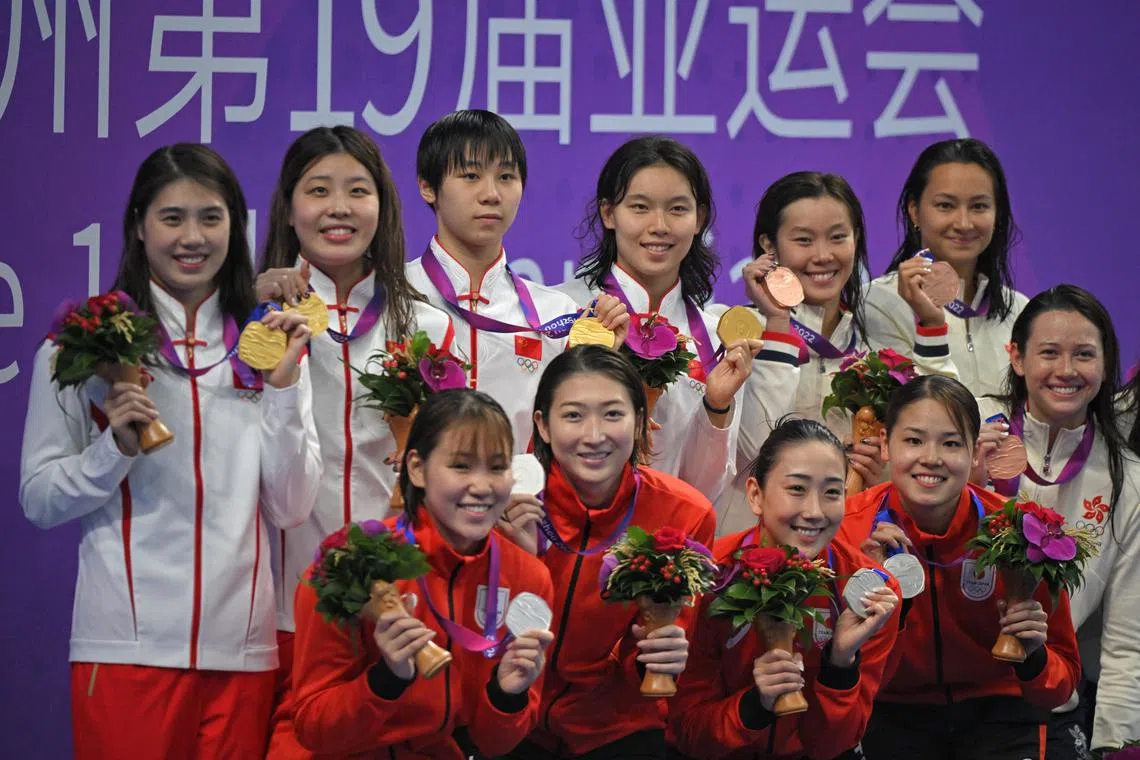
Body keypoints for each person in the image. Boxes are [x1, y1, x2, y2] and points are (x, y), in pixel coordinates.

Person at [19, 144, 321, 758]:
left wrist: (285, 392)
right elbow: (40, 499)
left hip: (243, 657)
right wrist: (113, 450)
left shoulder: (269, 344)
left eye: (211, 217)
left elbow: (290, 507)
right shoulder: (77, 350)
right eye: (172, 217)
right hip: (126, 657)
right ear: (138, 224)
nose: (193, 237)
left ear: (236, 226)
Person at [254, 126, 456, 733]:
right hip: (287, 608)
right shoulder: (258, 321)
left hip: (401, 609)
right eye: (318, 190)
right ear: (289, 208)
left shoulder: (426, 325)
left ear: (384, 207)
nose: (339, 208)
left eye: (357, 190)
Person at [276, 389, 556, 758]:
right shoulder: (354, 564)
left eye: (498, 466)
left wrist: (506, 696)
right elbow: (314, 730)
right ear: (417, 468)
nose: (483, 486)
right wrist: (385, 680)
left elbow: (495, 743)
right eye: (461, 465)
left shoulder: (526, 578)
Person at [840, 375, 1081, 759]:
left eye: (951, 443)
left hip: (1001, 710)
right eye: (914, 440)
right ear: (885, 444)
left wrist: (1034, 655)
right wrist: (866, 594)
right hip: (888, 709)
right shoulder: (847, 530)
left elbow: (1061, 682)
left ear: (974, 454)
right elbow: (831, 675)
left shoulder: (1022, 531)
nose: (931, 457)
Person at [499, 345, 716, 759]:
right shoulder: (506, 502)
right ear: (543, 426)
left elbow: (657, 654)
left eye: (613, 414)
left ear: (640, 422)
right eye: (574, 415)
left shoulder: (683, 512)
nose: (594, 435)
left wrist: (658, 654)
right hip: (510, 710)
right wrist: (524, 564)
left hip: (616, 726)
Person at [717, 172, 954, 535]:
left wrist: (882, 468)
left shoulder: (877, 344)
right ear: (770, 246)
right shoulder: (736, 329)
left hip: (845, 551)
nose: (823, 256)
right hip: (751, 553)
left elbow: (942, 438)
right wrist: (777, 322)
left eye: (838, 237)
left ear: (856, 240)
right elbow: (753, 451)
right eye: (803, 240)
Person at [670, 418, 900, 759]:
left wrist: (840, 664)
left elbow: (838, 743)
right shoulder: (706, 576)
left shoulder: (868, 589)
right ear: (755, 494)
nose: (814, 511)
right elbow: (685, 731)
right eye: (796, 489)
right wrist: (753, 706)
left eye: (832, 492)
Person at [974, 285, 1140, 755]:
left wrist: (1117, 744)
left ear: (1105, 365)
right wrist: (971, 482)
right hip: (949, 695)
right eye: (1049, 353)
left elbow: (1127, 642)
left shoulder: (1129, 481)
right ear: (1017, 358)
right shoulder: (969, 442)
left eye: (1084, 354)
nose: (1066, 371)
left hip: (1051, 697)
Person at [559, 135, 766, 502]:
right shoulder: (565, 314)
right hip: (577, 532)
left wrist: (716, 406)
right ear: (609, 214)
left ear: (699, 218)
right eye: (640, 207)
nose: (659, 226)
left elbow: (704, 490)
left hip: (671, 542)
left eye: (677, 209)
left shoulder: (719, 341)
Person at [406, 110, 628, 450]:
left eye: (507, 176)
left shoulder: (559, 316)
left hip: (525, 501)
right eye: (470, 175)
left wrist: (603, 359)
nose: (491, 194)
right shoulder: (392, 296)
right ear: (427, 186)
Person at [864, 138, 1028, 397]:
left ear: (997, 214)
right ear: (915, 211)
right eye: (945, 206)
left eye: (979, 206)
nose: (964, 223)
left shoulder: (1020, 311)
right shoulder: (877, 304)